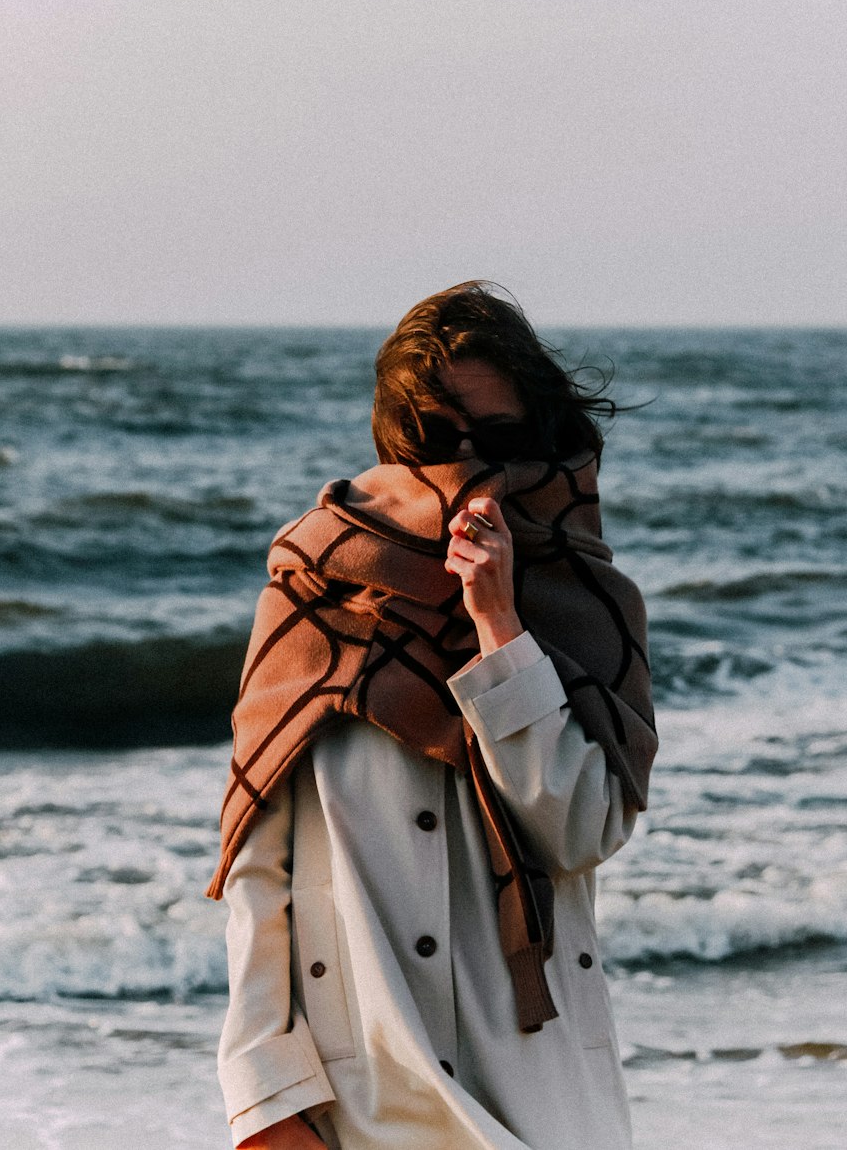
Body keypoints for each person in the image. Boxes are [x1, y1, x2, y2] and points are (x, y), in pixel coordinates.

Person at [209, 281, 658, 1150]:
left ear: (541, 440)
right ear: (392, 440)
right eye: (432, 440)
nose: (462, 466)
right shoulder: (314, 588)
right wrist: (263, 1093)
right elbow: (261, 861)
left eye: (495, 441)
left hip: (541, 1092)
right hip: (361, 1092)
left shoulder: (586, 603)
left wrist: (502, 631)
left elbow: (578, 832)